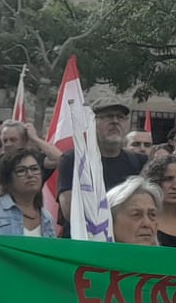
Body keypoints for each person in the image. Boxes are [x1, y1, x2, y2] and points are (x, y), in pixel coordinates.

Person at [54, 97, 142, 226]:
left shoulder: (139, 162)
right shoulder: (73, 160)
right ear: (91, 122)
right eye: (108, 116)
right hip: (84, 242)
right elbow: (70, 211)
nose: (115, 121)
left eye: (120, 117)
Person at [0, 150, 56, 238]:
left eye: (34, 169)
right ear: (8, 179)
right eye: (21, 171)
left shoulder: (47, 218)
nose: (30, 174)